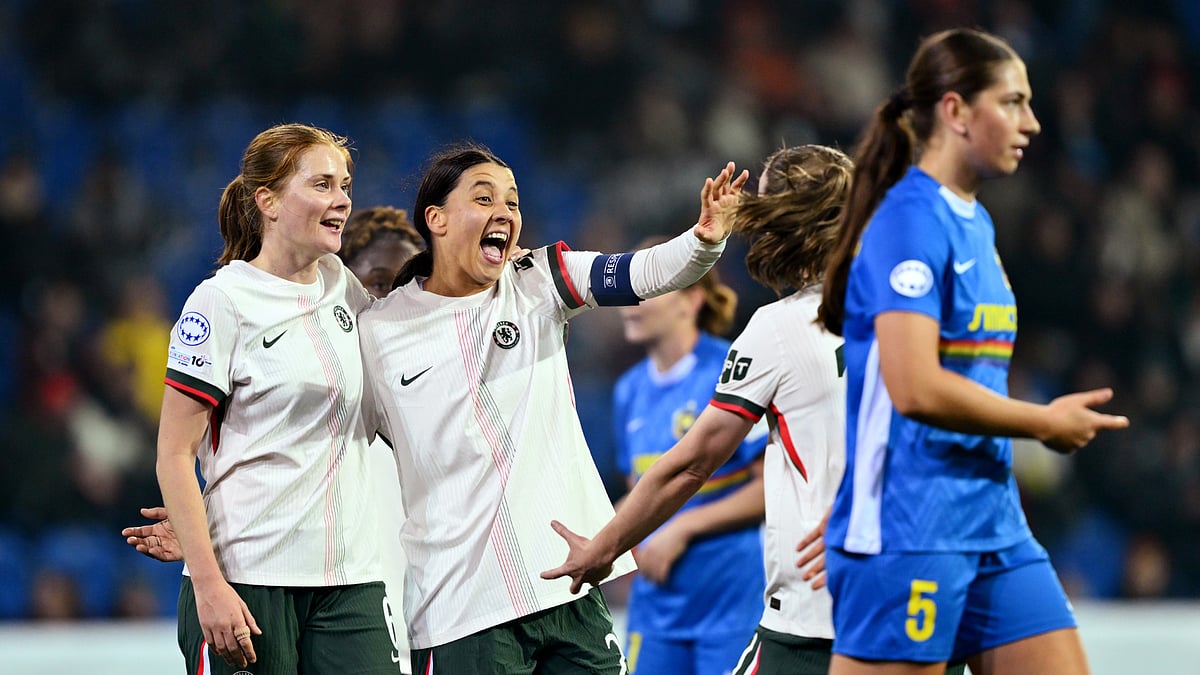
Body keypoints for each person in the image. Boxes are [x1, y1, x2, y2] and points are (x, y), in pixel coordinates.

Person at [356, 142, 746, 673]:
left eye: (513, 202)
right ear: (437, 219)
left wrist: (704, 240)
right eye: (485, 197)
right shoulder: (378, 334)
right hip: (460, 611)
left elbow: (640, 273)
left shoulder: (538, 282)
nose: (505, 213)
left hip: (568, 585)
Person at [815, 28, 1129, 675]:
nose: (1033, 123)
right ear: (956, 111)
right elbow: (915, 387)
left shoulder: (975, 220)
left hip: (993, 522)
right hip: (910, 528)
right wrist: (1042, 421)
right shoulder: (908, 221)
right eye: (1012, 102)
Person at [144, 123, 402, 674]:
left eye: (345, 185)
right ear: (268, 201)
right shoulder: (221, 302)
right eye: (322, 185)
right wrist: (209, 585)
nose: (342, 200)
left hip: (350, 580)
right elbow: (173, 455)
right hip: (248, 579)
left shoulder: (341, 285)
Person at [611, 238, 768, 675]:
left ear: (691, 300)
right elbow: (642, 496)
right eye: (628, 288)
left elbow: (769, 487)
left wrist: (683, 526)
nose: (629, 302)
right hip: (656, 603)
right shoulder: (628, 391)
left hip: (728, 600)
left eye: (648, 288)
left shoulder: (731, 370)